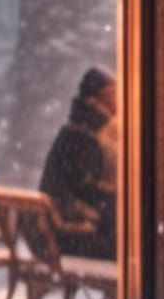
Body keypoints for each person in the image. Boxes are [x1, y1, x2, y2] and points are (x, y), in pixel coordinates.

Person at [39, 66, 117, 260]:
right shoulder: (81, 137)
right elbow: (84, 187)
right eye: (110, 95)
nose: (116, 101)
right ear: (93, 101)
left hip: (65, 229)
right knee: (132, 247)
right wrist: (118, 196)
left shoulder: (78, 132)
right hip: (69, 235)